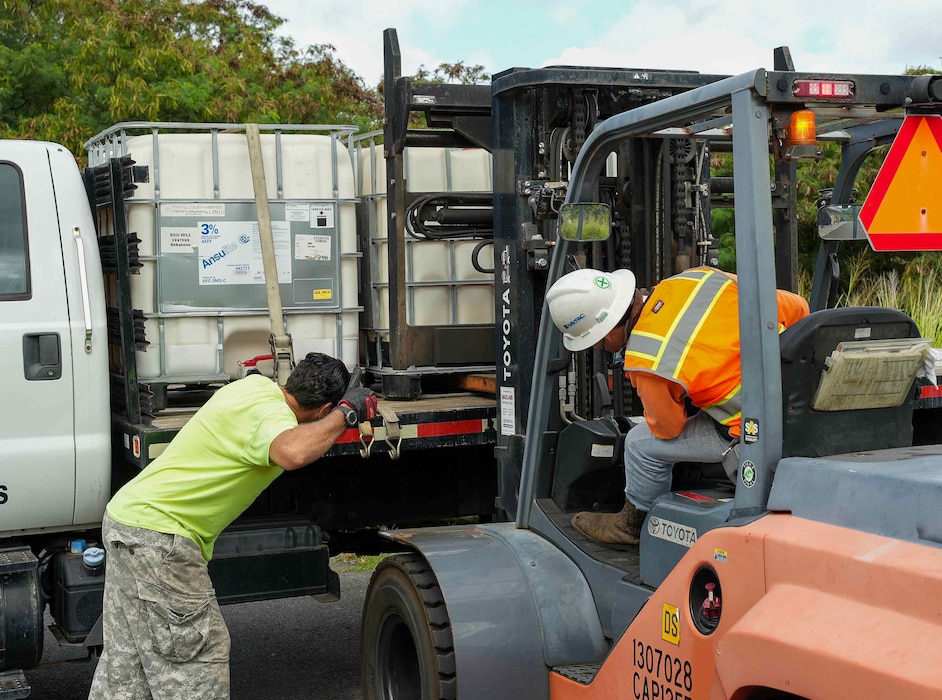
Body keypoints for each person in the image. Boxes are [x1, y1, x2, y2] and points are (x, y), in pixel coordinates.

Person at [88, 352, 377, 700]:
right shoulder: (274, 417)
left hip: (125, 520)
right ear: (321, 409)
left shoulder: (254, 386)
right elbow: (292, 453)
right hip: (161, 541)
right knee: (196, 662)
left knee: (127, 664)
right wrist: (344, 414)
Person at [546, 267, 809, 547]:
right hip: (803, 403)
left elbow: (669, 427)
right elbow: (798, 308)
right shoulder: (694, 278)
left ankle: (634, 526)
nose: (598, 347)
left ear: (606, 332)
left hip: (751, 431)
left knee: (638, 443)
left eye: (594, 341)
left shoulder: (644, 359)